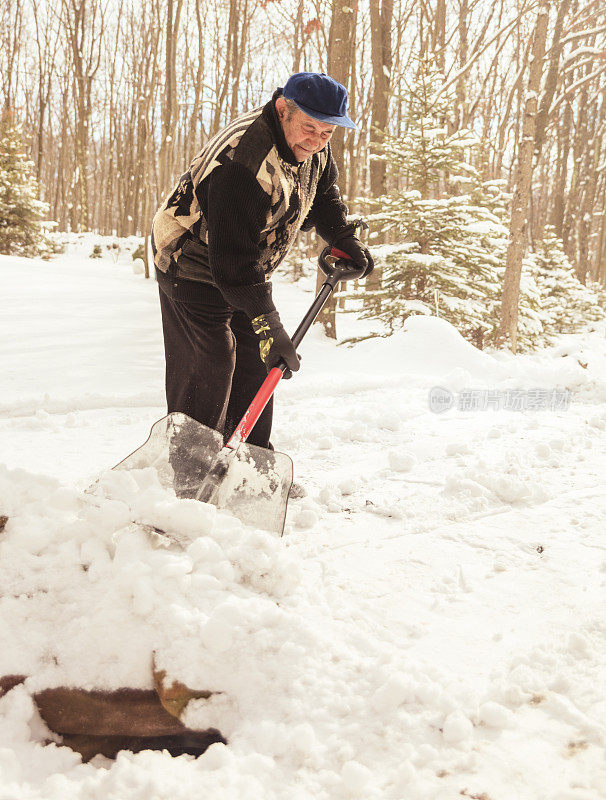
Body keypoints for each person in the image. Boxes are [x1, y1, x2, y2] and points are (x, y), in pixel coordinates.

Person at [152, 72, 374, 451]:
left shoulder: (313, 140)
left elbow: (323, 191)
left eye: (327, 133)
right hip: (192, 262)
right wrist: (268, 322)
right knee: (211, 364)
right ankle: (188, 467)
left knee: (256, 364)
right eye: (309, 128)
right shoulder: (243, 163)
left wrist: (341, 235)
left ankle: (250, 463)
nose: (317, 141)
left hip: (244, 265)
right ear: (282, 109)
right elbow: (232, 264)